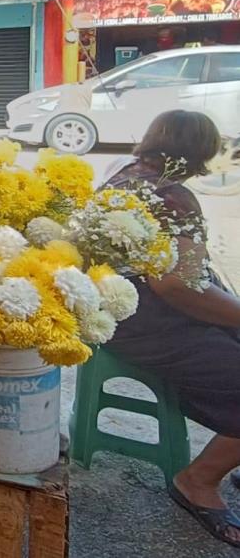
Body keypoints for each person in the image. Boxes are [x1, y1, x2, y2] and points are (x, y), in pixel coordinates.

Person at [103, 110, 240, 548]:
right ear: (201, 153)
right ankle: (197, 481)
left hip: (122, 309)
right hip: (145, 320)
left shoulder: (122, 173)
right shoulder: (173, 197)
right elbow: (179, 288)